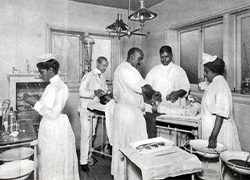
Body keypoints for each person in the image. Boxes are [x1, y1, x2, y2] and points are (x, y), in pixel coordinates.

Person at [23, 53, 79, 180]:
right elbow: (44, 106)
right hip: (47, 128)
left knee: (56, 164)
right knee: (46, 162)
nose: (40, 75)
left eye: (42, 72)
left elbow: (54, 114)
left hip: (57, 130)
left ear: (51, 70)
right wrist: (34, 101)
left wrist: (35, 103)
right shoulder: (49, 86)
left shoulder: (62, 88)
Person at [111, 47, 159, 180]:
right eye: (139, 58)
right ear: (132, 56)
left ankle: (124, 176)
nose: (140, 62)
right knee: (134, 145)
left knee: (124, 145)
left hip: (125, 111)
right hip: (129, 115)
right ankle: (132, 177)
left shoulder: (121, 69)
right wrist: (154, 93)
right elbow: (143, 87)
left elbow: (136, 92)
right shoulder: (127, 70)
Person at [192, 53, 241, 180]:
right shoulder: (215, 83)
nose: (204, 74)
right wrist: (198, 99)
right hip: (213, 130)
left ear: (212, 71)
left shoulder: (221, 85)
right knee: (214, 168)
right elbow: (212, 103)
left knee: (223, 169)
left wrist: (213, 136)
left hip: (220, 132)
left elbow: (220, 113)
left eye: (205, 71)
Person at [144, 45, 190, 138]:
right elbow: (146, 86)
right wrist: (153, 93)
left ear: (171, 56)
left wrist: (177, 93)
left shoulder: (179, 71)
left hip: (173, 107)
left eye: (167, 57)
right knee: (159, 133)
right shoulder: (154, 70)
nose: (164, 59)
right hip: (158, 107)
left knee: (173, 134)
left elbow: (186, 87)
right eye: (162, 57)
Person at [78, 56, 109, 172]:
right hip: (86, 109)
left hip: (95, 109)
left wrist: (107, 94)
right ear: (97, 64)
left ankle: (89, 156)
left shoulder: (103, 77)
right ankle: (83, 162)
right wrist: (94, 92)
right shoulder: (88, 76)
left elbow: (104, 90)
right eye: (103, 65)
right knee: (86, 134)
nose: (105, 68)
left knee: (92, 133)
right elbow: (81, 91)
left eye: (106, 66)